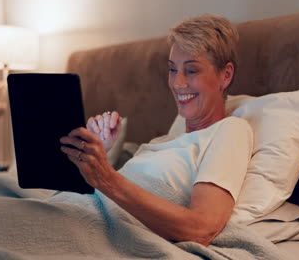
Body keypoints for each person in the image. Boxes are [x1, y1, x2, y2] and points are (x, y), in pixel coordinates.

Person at [59, 14, 253, 247]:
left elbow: (202, 228)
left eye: (191, 71)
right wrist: (100, 153)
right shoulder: (164, 141)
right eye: (172, 70)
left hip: (96, 233)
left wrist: (107, 178)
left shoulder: (230, 131)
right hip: (74, 213)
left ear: (226, 75)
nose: (178, 83)